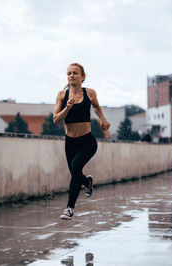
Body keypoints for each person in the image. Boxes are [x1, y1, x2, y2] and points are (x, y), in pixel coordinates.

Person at [53, 63, 110, 220]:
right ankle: (87, 183)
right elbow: (56, 120)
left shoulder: (90, 93)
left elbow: (97, 107)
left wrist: (103, 119)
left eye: (75, 73)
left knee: (75, 168)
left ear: (82, 77)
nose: (71, 75)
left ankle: (69, 209)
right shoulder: (61, 96)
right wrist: (67, 108)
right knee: (75, 173)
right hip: (70, 142)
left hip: (87, 142)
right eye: (69, 73)